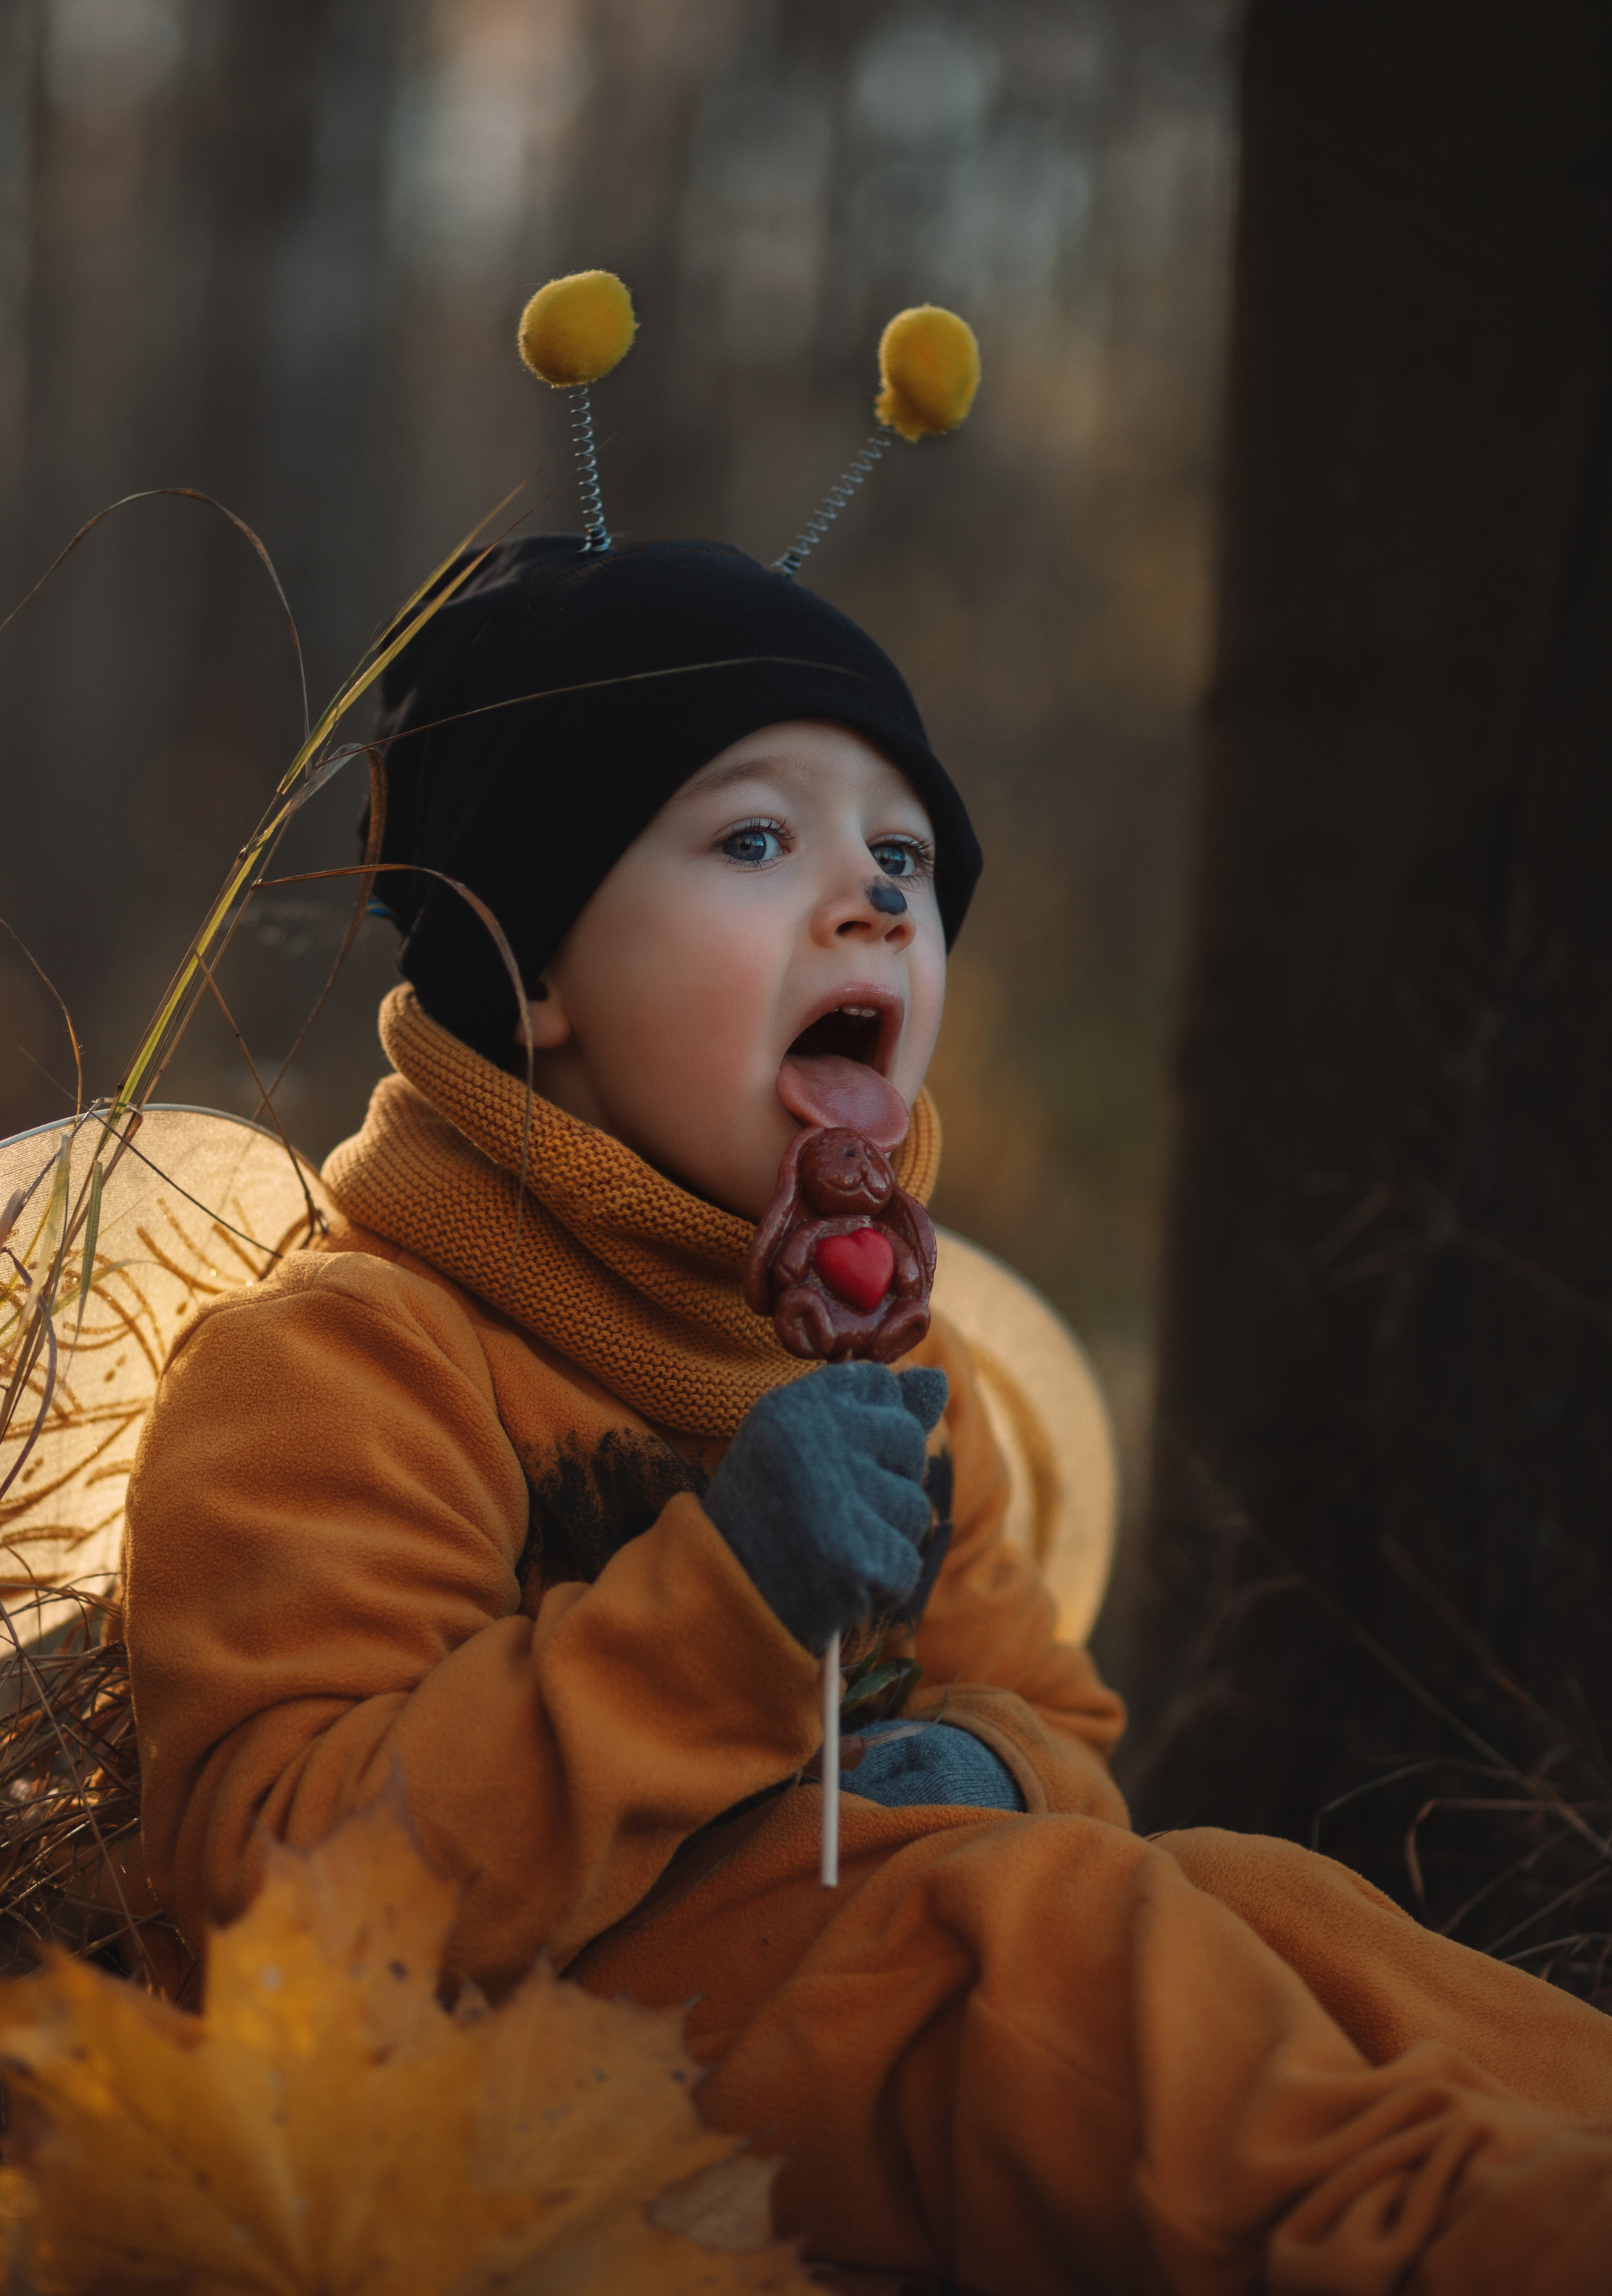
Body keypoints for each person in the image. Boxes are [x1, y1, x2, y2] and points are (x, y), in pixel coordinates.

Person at [122, 534, 1612, 2293]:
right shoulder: (346, 1369)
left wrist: (978, 1762)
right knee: (1043, 1932)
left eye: (900, 858)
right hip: (559, 2086)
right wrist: (718, 1616)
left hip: (874, 1972)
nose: (872, 903)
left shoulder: (882, 1370)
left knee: (1257, 1896)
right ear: (529, 970)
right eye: (756, 841)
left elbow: (1053, 1717)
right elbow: (272, 1900)